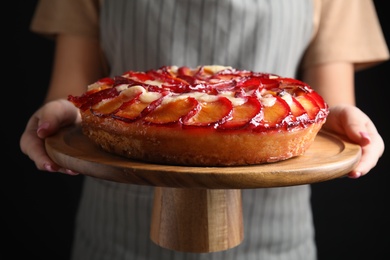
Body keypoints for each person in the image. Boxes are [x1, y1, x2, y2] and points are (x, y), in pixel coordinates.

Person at [20, 0, 388, 259]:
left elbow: (321, 105)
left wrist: (341, 118)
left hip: (274, 239)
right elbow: (78, 92)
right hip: (117, 233)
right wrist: (62, 114)